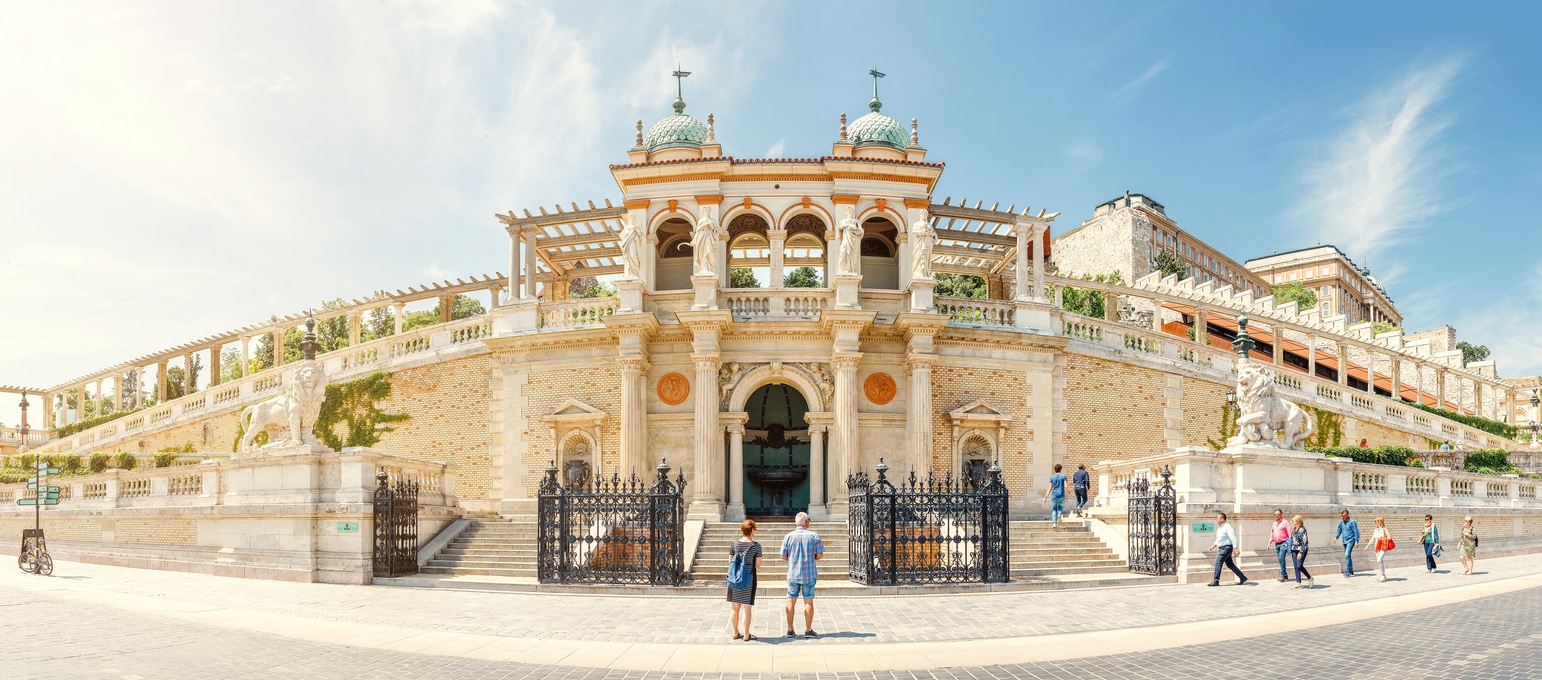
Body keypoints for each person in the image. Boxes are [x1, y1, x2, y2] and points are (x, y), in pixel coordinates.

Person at [780, 512, 824, 638]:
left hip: (793, 573)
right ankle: (808, 629)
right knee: (808, 600)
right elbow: (820, 555)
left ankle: (790, 629)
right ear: (806, 522)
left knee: (790, 599)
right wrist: (812, 558)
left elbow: (783, 556)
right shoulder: (814, 536)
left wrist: (793, 560)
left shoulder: (788, 536)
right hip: (809, 574)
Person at [727, 519, 763, 641]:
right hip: (749, 579)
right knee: (747, 607)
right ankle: (746, 634)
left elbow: (730, 561)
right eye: (755, 529)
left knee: (735, 607)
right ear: (752, 530)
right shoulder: (756, 546)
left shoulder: (734, 544)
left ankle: (735, 632)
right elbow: (758, 564)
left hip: (734, 579)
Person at [1207, 512, 1248, 587]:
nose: (1216, 520)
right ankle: (1242, 577)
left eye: (1218, 518)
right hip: (1223, 548)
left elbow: (1233, 537)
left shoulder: (1227, 527)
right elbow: (1219, 539)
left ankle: (1216, 580)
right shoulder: (1220, 528)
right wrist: (1213, 545)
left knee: (1218, 562)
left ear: (1222, 519)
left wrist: (1236, 548)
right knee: (1230, 564)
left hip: (1226, 547)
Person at [1333, 510, 1360, 577]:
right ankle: (1351, 570)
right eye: (1341, 516)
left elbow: (1356, 532)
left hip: (1351, 540)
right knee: (1347, 556)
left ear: (1347, 515)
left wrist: (1356, 541)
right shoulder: (1341, 522)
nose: (1342, 517)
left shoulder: (1352, 522)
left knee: (1347, 555)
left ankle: (1348, 571)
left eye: (1344, 516)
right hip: (1344, 541)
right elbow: (1339, 530)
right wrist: (1336, 537)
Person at [1268, 509, 1291, 582]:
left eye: (1278, 514)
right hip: (1277, 544)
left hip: (1284, 543)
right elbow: (1272, 534)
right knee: (1280, 559)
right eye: (1275, 514)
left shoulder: (1285, 522)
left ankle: (1282, 575)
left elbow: (1290, 533)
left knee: (1281, 558)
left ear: (1281, 514)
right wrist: (1269, 543)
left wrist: (1290, 544)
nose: (1276, 516)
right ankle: (1285, 575)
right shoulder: (1274, 523)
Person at [1290, 515, 1314, 588]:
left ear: (1298, 521)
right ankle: (1298, 582)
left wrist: (1301, 552)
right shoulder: (1294, 529)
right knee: (1296, 566)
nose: (1292, 522)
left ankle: (1309, 577)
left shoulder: (1302, 530)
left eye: (1293, 521)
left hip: (1301, 549)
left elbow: (1305, 542)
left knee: (1299, 566)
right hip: (1294, 549)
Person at [1366, 517, 1392, 581]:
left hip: (1383, 546)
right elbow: (1372, 539)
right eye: (1374, 521)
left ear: (1379, 522)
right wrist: (1367, 546)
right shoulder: (1375, 530)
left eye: (1375, 521)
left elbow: (1389, 537)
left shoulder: (1384, 529)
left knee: (1379, 559)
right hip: (1377, 547)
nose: (1374, 522)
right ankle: (1383, 576)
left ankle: (1383, 575)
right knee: (1379, 561)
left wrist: (1383, 538)